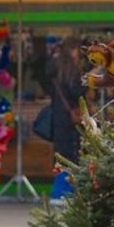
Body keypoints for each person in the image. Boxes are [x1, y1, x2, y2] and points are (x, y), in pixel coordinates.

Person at [48, 36, 85, 166]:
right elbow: (76, 92)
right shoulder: (72, 70)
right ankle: (69, 178)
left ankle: (60, 176)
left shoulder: (56, 67)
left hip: (58, 116)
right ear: (73, 50)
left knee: (60, 154)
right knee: (72, 154)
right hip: (71, 118)